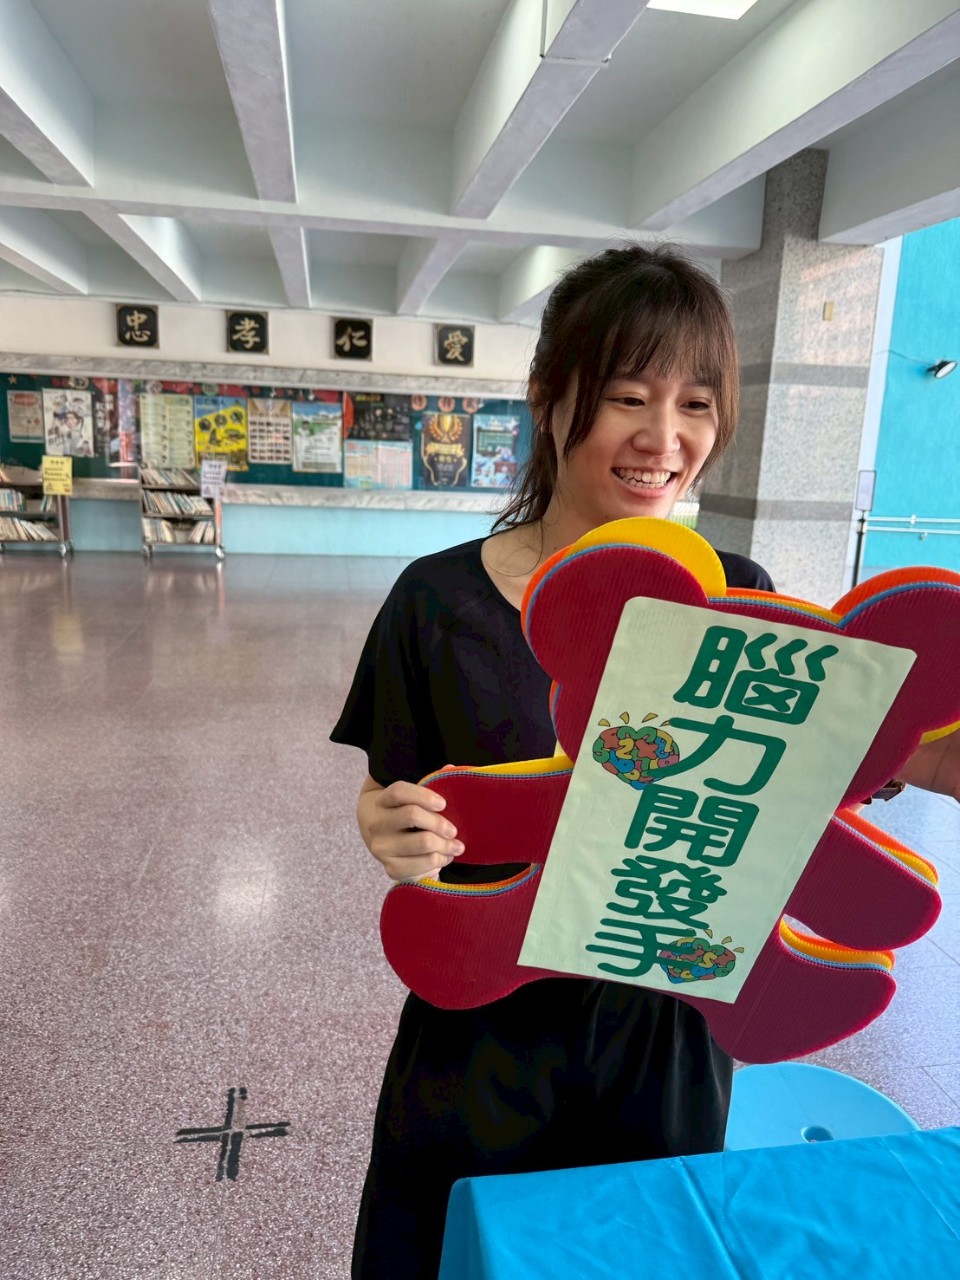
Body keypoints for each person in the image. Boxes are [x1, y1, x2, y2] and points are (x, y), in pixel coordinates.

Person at [330, 242, 957, 1279]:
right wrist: (386, 826)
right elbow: (390, 790)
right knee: (452, 1252)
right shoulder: (436, 602)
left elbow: (839, 757)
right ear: (549, 397)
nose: (664, 440)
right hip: (486, 1028)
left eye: (696, 405)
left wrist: (914, 759)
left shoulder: (742, 596)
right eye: (628, 396)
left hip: (668, 1033)